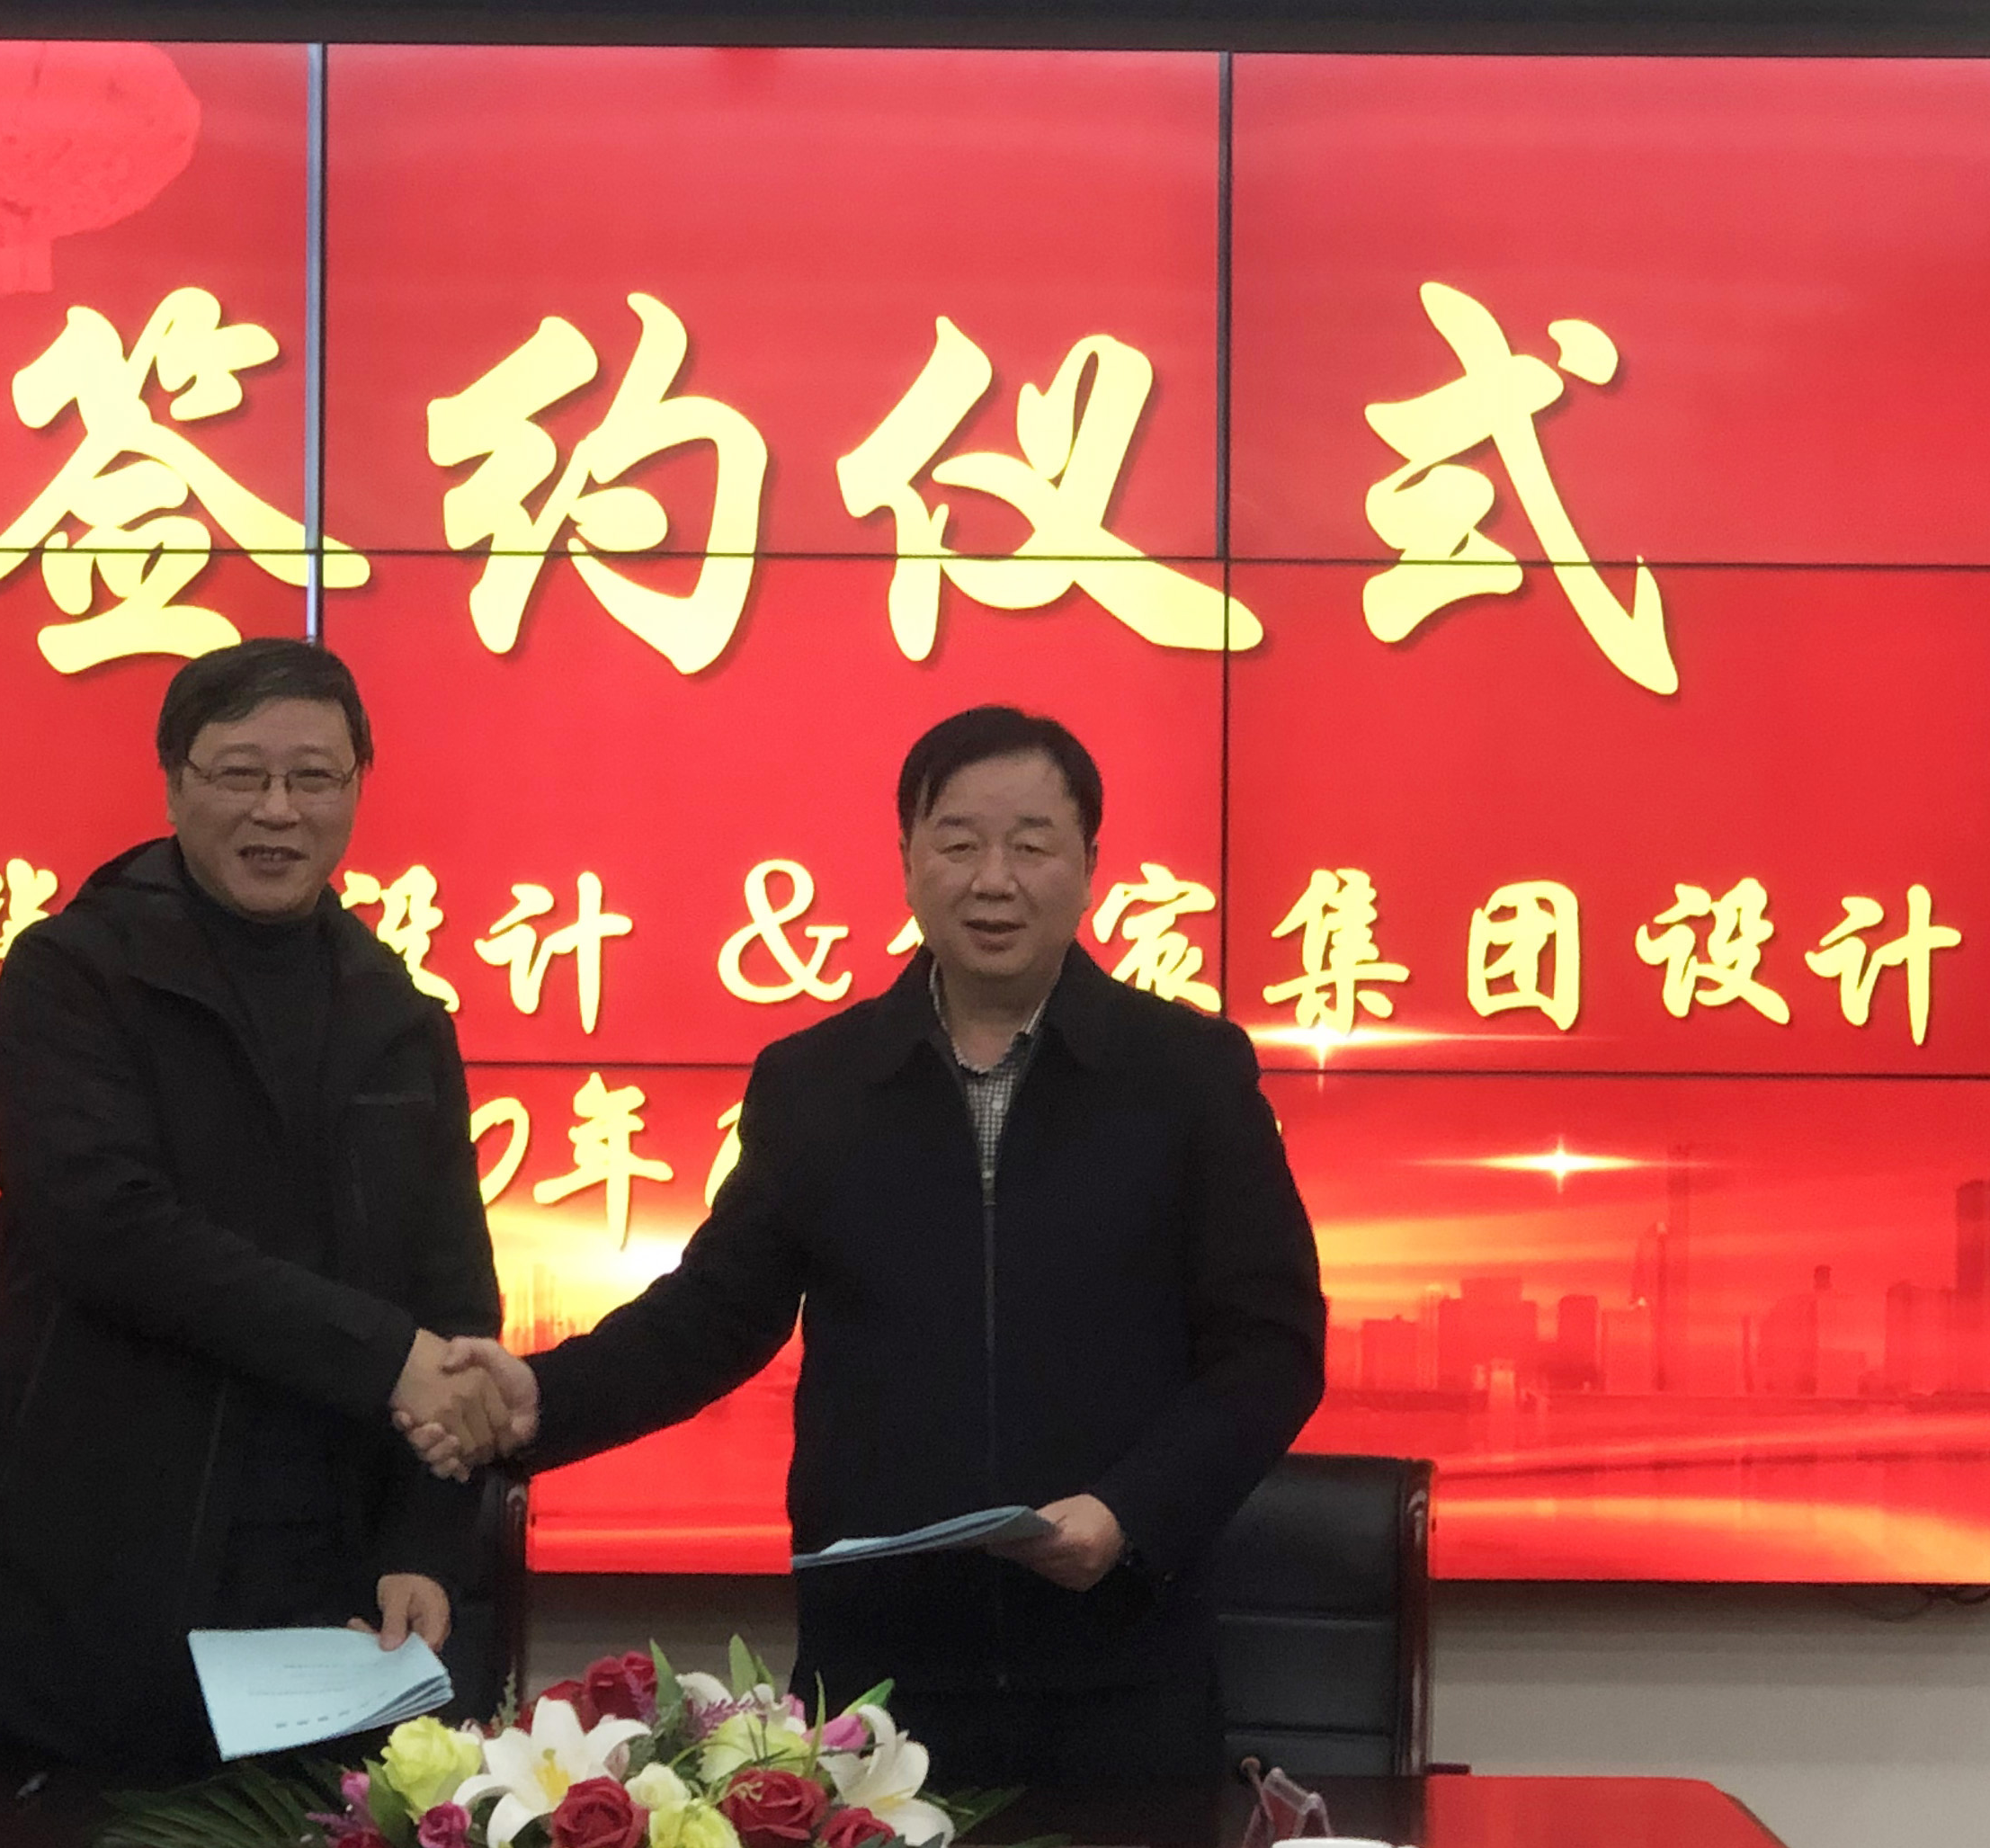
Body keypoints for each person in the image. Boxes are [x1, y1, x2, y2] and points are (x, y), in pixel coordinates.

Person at [431, 706, 1325, 1786]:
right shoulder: (819, 1081)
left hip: (1124, 1670)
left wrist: (1127, 1514)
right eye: (957, 842)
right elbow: (713, 1316)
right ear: (905, 860)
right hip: (877, 1683)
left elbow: (1269, 1349)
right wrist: (540, 1396)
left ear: (1090, 866)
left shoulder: (1186, 1075)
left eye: (1030, 845)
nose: (992, 879)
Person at [0, 638, 525, 1776]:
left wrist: (424, 1539)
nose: (278, 810)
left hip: (333, 1586)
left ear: (357, 787)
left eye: (313, 777)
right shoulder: (76, 972)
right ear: (173, 783)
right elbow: (109, 1228)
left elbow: (452, 1295)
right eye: (240, 774)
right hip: (102, 1563)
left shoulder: (399, 1016)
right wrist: (382, 1356)